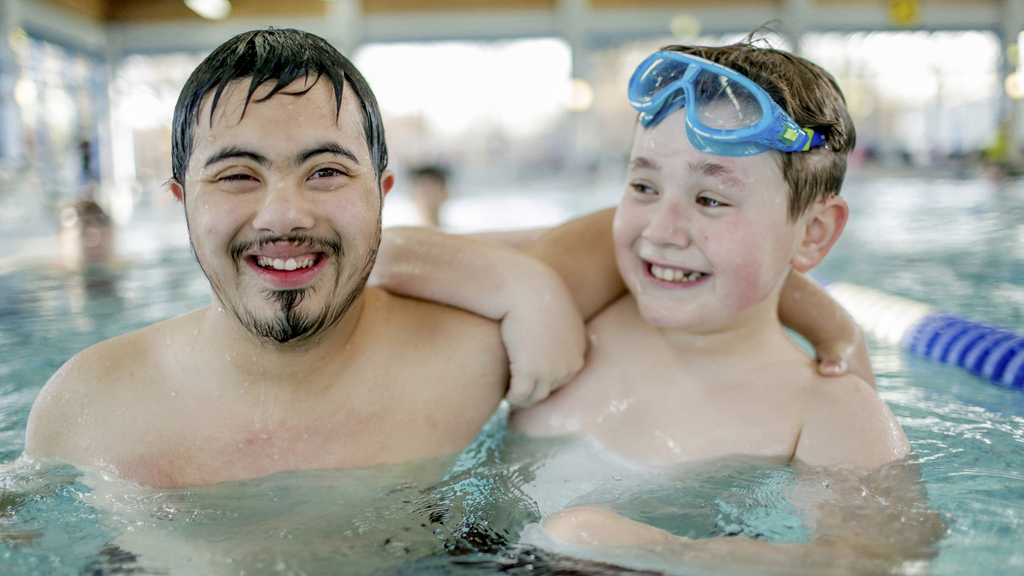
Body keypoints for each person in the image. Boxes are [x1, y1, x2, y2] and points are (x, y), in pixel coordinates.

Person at [24, 28, 865, 491]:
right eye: (237, 175)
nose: (283, 215)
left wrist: (826, 318)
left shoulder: (468, 348)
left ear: (382, 194)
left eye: (326, 172)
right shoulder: (89, 407)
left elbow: (677, 240)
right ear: (178, 201)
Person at [373, 41, 944, 572]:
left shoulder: (827, 412)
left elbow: (878, 557)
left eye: (710, 199)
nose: (661, 230)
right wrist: (530, 289)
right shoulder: (587, 306)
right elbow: (386, 254)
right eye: (643, 187)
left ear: (814, 233)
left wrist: (658, 551)